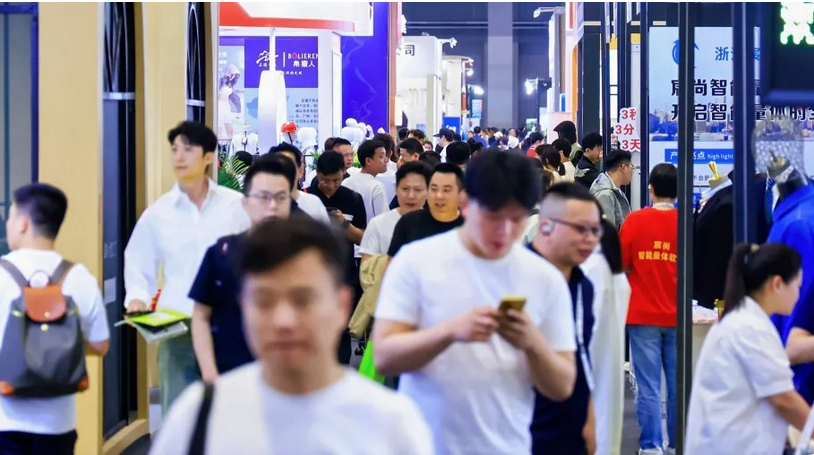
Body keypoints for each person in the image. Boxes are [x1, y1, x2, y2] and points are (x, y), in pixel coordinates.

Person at [151, 217, 434, 455]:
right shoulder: (200, 415)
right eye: (264, 301)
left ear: (341, 305)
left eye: (303, 300)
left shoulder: (389, 423)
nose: (283, 321)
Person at [373, 151, 578, 455]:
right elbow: (384, 357)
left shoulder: (544, 278)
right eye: (493, 217)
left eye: (517, 219)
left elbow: (562, 386)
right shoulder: (416, 261)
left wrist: (533, 343)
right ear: (466, 203)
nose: (505, 231)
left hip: (508, 447)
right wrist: (450, 332)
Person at [124, 121, 249, 415]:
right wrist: (137, 299)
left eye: (188, 149)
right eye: (174, 149)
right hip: (176, 324)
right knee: (178, 413)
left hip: (227, 322)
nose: (179, 157)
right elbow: (138, 262)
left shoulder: (236, 207)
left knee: (228, 412)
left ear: (208, 157)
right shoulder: (158, 213)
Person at [0, 184, 110, 455]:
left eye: (11, 217)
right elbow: (101, 345)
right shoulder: (79, 277)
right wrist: (57, 344)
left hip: (5, 421)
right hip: (58, 424)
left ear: (23, 224)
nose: (8, 224)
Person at [686, 243, 812, 455]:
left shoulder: (746, 321)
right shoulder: (749, 328)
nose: (798, 295)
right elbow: (783, 399)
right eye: (797, 286)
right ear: (777, 284)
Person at [190, 155, 302, 383]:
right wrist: (209, 374)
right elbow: (201, 316)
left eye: (281, 198)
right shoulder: (221, 253)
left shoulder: (306, 256)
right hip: (229, 377)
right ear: (245, 203)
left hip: (290, 379)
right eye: (263, 197)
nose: (272, 206)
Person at [529, 182, 602, 455]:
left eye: (595, 230)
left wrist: (589, 419)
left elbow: (582, 357)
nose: (590, 240)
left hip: (570, 434)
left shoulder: (584, 285)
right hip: (522, 433)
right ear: (546, 226)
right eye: (581, 229)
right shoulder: (517, 277)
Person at [619, 163, 678, 455]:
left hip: (642, 313)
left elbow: (621, 263)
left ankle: (651, 446)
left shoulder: (634, 221)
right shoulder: (686, 222)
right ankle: (677, 444)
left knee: (649, 385)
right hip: (678, 313)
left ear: (650, 189)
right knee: (678, 384)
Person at [307, 151, 366, 364]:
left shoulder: (353, 198)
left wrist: (343, 224)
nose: (330, 186)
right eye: (325, 180)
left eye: (336, 180)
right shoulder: (307, 198)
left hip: (344, 274)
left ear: (343, 173)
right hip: (311, 274)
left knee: (341, 329)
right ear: (317, 174)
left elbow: (362, 238)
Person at [387, 163, 465, 258]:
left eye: (446, 190)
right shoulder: (407, 222)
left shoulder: (470, 227)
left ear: (461, 194)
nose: (439, 196)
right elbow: (392, 263)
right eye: (434, 189)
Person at [360, 161, 431, 261]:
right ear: (396, 189)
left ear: (428, 191)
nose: (411, 195)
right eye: (405, 189)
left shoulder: (437, 226)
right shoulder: (378, 224)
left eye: (418, 190)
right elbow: (367, 266)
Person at [268, 142, 330, 224]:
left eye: (288, 166)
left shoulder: (314, 204)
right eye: (277, 167)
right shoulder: (260, 205)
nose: (282, 172)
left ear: (300, 170)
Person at [342, 139, 389, 225]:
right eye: (381, 157)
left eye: (385, 156)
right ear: (368, 161)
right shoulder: (376, 186)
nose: (386, 160)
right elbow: (384, 220)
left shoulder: (346, 182)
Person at [590, 150, 633, 231]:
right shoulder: (605, 194)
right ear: (623, 167)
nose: (632, 171)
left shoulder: (614, 190)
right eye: (632, 167)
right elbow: (607, 232)